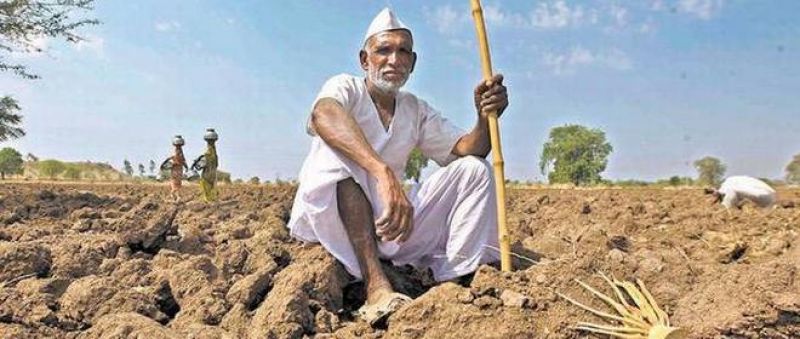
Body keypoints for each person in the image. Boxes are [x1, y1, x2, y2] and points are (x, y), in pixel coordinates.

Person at [287, 8, 509, 325]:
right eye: (384, 50)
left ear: (413, 63)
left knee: (475, 169)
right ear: (365, 60)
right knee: (333, 152)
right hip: (333, 221)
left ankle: (455, 280)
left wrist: (485, 117)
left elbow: (466, 149)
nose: (394, 59)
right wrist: (382, 172)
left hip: (391, 222)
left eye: (403, 52)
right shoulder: (346, 87)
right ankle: (376, 285)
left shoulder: (414, 109)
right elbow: (323, 115)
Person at [706, 175, 776, 209]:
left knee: (731, 191)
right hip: (770, 197)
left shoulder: (727, 183)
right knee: (737, 195)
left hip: (762, 195)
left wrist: (716, 196)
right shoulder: (737, 181)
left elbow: (722, 192)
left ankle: (726, 211)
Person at [191, 128, 219, 202]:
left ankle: (208, 204)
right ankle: (212, 202)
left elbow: (199, 167)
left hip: (206, 176)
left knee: (206, 193)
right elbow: (216, 165)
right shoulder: (215, 155)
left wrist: (196, 163)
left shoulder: (206, 155)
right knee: (212, 192)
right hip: (213, 175)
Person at [160, 135, 188, 201]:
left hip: (177, 169)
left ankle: (175, 196)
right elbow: (180, 160)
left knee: (176, 183)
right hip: (176, 169)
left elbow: (181, 160)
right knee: (176, 183)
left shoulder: (179, 151)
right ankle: (174, 195)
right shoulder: (178, 152)